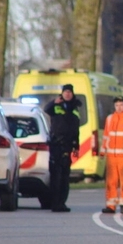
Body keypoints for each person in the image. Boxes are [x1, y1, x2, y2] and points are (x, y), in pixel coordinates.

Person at [44, 83, 81, 212]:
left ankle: (62, 202)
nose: (67, 94)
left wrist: (77, 145)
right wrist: (54, 102)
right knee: (56, 176)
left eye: (69, 92)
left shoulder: (75, 107)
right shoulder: (56, 106)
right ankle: (55, 203)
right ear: (62, 94)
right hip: (56, 145)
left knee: (65, 176)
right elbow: (46, 109)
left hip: (68, 146)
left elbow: (76, 129)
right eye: (65, 92)